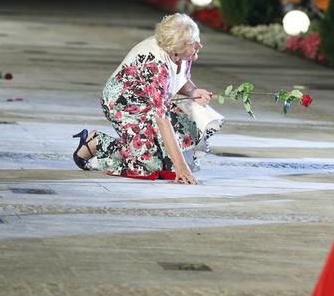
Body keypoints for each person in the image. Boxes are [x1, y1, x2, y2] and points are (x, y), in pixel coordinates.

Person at [72, 14, 223, 185]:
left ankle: (152, 154)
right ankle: (96, 143)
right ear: (177, 48)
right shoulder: (157, 66)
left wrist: (193, 91)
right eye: (194, 43)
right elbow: (162, 120)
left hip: (151, 102)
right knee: (149, 165)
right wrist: (182, 167)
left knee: (167, 164)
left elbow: (180, 78)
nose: (200, 45)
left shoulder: (180, 52)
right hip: (124, 104)